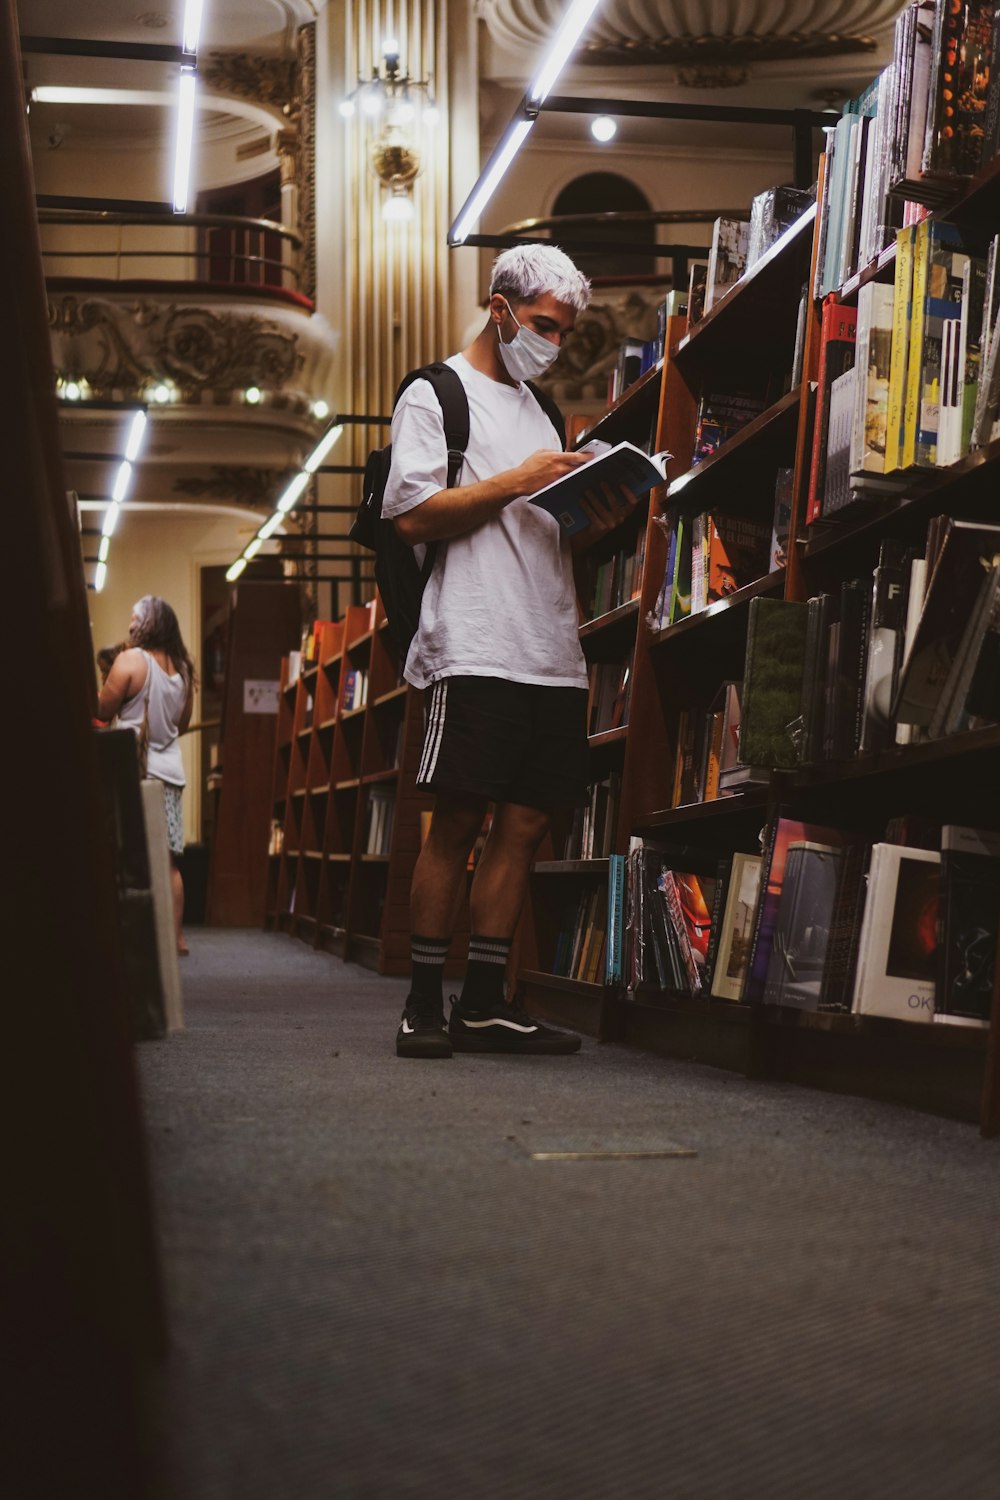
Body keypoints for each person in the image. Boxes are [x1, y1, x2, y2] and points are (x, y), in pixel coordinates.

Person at [383, 243, 639, 1059]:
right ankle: (425, 1001)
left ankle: (485, 1001)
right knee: (457, 819)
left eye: (564, 333)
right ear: (500, 309)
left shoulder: (542, 411)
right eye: (542, 326)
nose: (553, 345)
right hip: (475, 638)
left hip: (549, 644)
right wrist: (520, 480)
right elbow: (414, 515)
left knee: (525, 824)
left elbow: (546, 523)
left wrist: (595, 506)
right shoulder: (435, 395)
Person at [97, 596, 195, 956]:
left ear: (149, 622)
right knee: (168, 862)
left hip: (134, 771)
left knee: (126, 854)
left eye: (135, 618)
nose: (130, 625)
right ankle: (176, 938)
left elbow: (102, 708)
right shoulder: (183, 669)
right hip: (170, 773)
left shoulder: (130, 660)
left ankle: (129, 934)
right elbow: (181, 724)